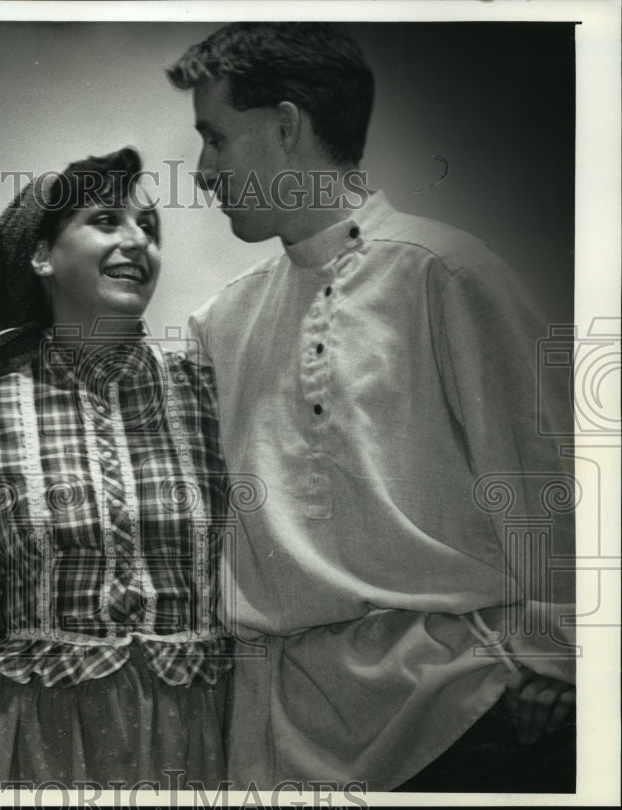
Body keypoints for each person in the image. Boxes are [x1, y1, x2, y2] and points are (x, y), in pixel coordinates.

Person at [166, 23, 576, 792]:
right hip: (280, 738)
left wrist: (554, 660)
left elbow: (548, 475)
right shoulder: (220, 324)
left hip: (458, 718)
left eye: (215, 138)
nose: (203, 170)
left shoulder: (445, 275)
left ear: (287, 126)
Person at [0, 147, 234, 790]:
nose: (137, 241)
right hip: (45, 740)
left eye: (150, 227)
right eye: (107, 220)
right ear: (42, 256)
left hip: (195, 735)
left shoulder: (207, 395)